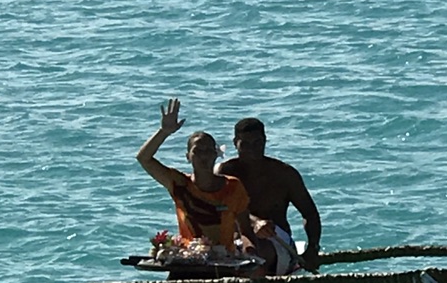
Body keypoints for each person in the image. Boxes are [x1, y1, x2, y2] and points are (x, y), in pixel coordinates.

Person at [136, 98, 252, 255]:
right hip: (189, 258)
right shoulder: (178, 183)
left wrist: (250, 252)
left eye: (208, 151)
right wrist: (164, 132)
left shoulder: (232, 187)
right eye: (197, 151)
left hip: (225, 260)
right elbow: (144, 158)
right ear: (188, 156)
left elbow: (246, 230)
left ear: (216, 155)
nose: (203, 156)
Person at [219, 117, 322, 273]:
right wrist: (254, 223)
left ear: (265, 141)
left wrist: (313, 248)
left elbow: (310, 213)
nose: (252, 150)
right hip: (235, 237)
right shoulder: (225, 172)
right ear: (235, 143)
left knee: (258, 252)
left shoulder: (285, 174)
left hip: (277, 241)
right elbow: (218, 207)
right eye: (245, 144)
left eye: (257, 143)